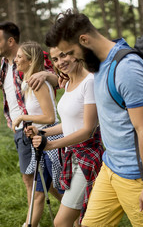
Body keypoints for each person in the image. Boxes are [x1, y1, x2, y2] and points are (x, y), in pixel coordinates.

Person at [44, 10, 143, 227]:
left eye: (71, 52)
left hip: (136, 174)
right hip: (110, 167)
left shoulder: (126, 68)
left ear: (84, 40)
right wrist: (47, 75)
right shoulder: (99, 64)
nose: (72, 59)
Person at [0, 22, 61, 226]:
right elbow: (13, 93)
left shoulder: (32, 58)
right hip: (22, 128)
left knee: (37, 180)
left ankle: (34, 222)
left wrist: (47, 74)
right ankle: (70, 209)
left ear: (10, 41)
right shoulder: (5, 64)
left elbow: (61, 78)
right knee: (37, 179)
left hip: (39, 127)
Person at [27, 46, 104, 227]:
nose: (59, 62)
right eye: (54, 59)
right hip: (72, 155)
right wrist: (41, 132)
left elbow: (88, 129)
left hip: (88, 157)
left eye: (63, 55)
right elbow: (68, 124)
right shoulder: (69, 83)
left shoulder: (90, 82)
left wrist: (52, 145)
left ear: (76, 53)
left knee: (61, 222)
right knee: (77, 220)